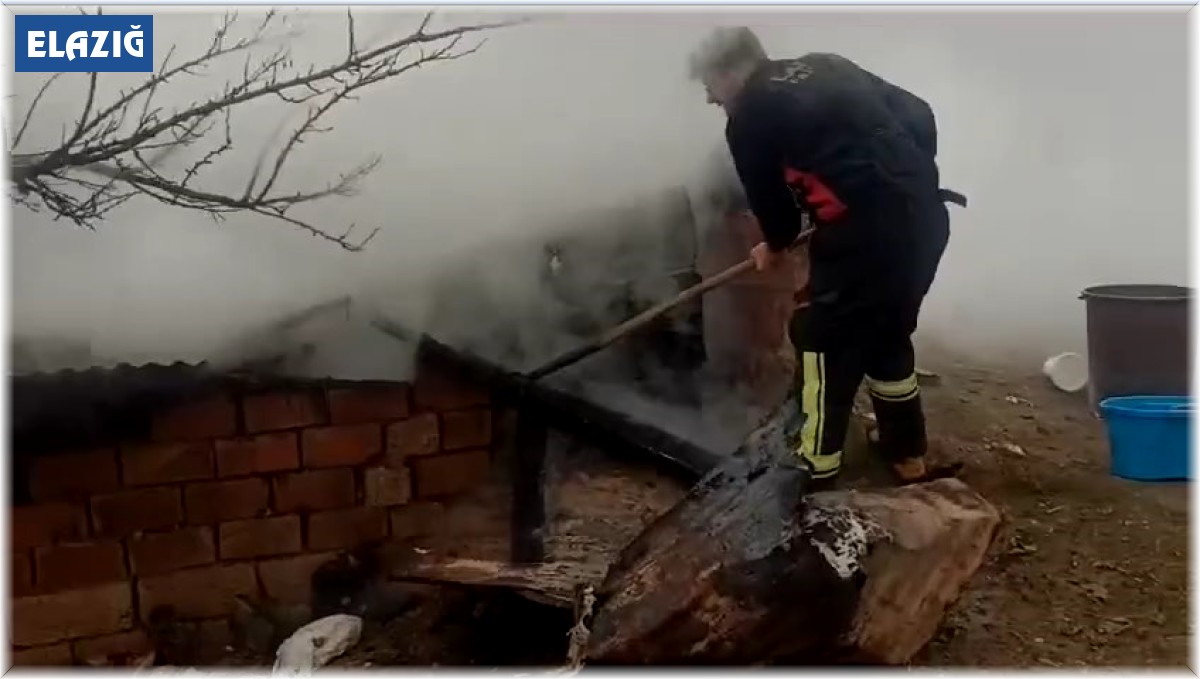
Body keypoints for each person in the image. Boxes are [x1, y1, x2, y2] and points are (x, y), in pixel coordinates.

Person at [687, 27, 960, 487]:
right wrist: (900, 182)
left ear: (732, 71)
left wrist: (774, 245)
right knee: (888, 333)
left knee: (819, 339)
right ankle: (905, 454)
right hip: (926, 220)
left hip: (865, 239)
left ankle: (813, 464)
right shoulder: (826, 65)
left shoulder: (750, 115)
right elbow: (919, 115)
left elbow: (777, 214)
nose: (711, 99)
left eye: (709, 84)